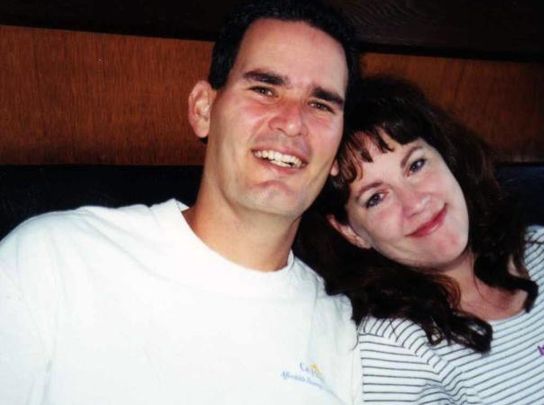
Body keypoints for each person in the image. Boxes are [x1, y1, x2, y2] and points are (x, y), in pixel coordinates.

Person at [0, 1, 362, 403]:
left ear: (338, 150)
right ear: (203, 109)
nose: (292, 122)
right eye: (264, 89)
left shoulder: (345, 334)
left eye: (320, 104)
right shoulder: (53, 260)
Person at [296, 76, 544, 404]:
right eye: (376, 197)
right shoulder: (392, 348)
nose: (416, 203)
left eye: (416, 165)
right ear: (349, 230)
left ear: (448, 160)